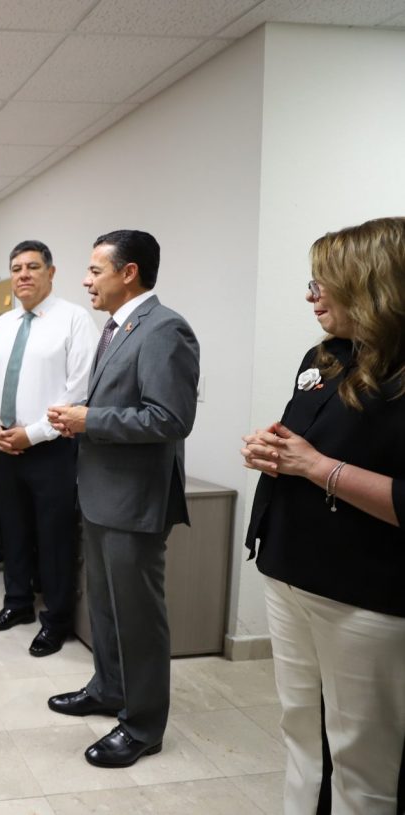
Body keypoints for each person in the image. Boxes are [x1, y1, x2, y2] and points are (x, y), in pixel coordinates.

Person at [241, 217, 405, 814]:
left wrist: (317, 467)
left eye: (323, 283)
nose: (312, 296)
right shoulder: (327, 356)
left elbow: (324, 463)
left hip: (364, 592)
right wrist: (272, 450)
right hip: (290, 568)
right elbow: (305, 443)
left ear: (371, 284)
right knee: (302, 734)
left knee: (361, 757)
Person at [48, 230, 199, 769]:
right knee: (107, 608)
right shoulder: (116, 328)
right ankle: (109, 688)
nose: (86, 281)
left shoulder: (164, 329)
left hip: (134, 501)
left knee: (137, 617)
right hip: (101, 493)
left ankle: (142, 725)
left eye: (95, 270)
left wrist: (90, 420)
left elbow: (169, 418)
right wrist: (82, 421)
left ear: (128, 272)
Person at [0, 244, 96, 656]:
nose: (23, 274)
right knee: (12, 530)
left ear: (51, 272)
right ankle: (17, 604)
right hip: (5, 446)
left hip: (52, 448)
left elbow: (79, 391)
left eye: (32, 267)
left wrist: (33, 433)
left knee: (54, 537)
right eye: (16, 268)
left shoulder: (74, 320)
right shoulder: (3, 323)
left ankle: (57, 620)